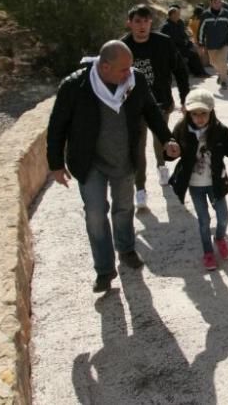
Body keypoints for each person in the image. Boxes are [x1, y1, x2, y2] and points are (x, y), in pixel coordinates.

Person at [46, 40, 172, 292]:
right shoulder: (75, 86)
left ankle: (125, 249)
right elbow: (57, 126)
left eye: (130, 68)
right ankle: (104, 270)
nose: (129, 73)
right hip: (89, 162)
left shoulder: (134, 81)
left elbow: (151, 110)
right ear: (104, 67)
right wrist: (56, 164)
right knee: (95, 214)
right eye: (123, 69)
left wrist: (167, 138)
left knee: (124, 208)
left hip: (123, 159)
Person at [121, 5, 190, 210]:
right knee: (138, 146)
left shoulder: (163, 43)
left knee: (160, 138)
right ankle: (140, 189)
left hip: (161, 102)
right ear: (130, 23)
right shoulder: (122, 47)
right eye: (137, 22)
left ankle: (161, 166)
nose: (142, 26)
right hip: (134, 107)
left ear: (151, 22)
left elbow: (180, 70)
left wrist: (186, 98)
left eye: (146, 21)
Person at [164, 88, 228, 272]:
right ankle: (208, 252)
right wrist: (170, 152)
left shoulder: (220, 130)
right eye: (195, 114)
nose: (199, 118)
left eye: (204, 113)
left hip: (215, 182)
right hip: (195, 185)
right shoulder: (181, 129)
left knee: (223, 217)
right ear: (188, 113)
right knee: (203, 220)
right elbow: (170, 153)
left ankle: (220, 238)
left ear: (211, 112)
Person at [198, 0, 228, 90]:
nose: (217, 4)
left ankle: (223, 81)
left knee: (222, 61)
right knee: (213, 62)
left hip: (224, 43)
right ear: (211, 3)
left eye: (219, 2)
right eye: (215, 3)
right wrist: (200, 43)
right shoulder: (205, 15)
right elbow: (201, 29)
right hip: (211, 43)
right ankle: (222, 72)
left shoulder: (227, 13)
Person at [160, 6, 208, 77]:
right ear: (172, 15)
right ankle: (198, 73)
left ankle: (201, 72)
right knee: (192, 55)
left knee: (195, 50)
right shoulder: (166, 26)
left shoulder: (180, 23)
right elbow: (168, 40)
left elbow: (184, 34)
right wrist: (182, 42)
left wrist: (188, 42)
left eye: (179, 14)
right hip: (174, 48)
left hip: (183, 45)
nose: (179, 15)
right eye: (177, 14)